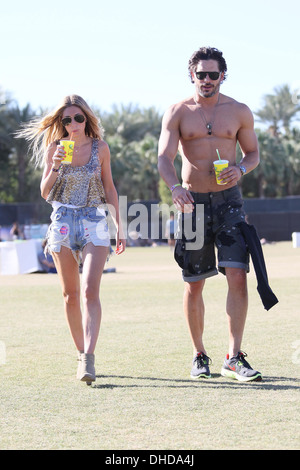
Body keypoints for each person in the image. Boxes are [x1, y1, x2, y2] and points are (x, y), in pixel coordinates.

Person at [158, 47, 263, 382]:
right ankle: (199, 354)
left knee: (238, 275)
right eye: (200, 74)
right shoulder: (177, 112)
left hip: (229, 202)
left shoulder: (239, 111)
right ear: (192, 75)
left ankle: (234, 356)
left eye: (212, 74)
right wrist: (175, 187)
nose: (206, 80)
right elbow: (164, 157)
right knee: (195, 284)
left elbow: (253, 153)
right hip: (192, 205)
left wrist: (241, 169)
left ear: (222, 76)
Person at [17, 94, 126, 385]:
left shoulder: (100, 148)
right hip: (63, 220)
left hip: (94, 220)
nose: (73, 124)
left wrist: (120, 225)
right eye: (67, 120)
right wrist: (54, 165)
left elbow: (109, 187)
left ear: (86, 119)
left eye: (78, 118)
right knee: (70, 295)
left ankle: (89, 358)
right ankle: (81, 354)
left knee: (90, 290)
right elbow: (44, 191)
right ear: (62, 123)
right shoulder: (55, 148)